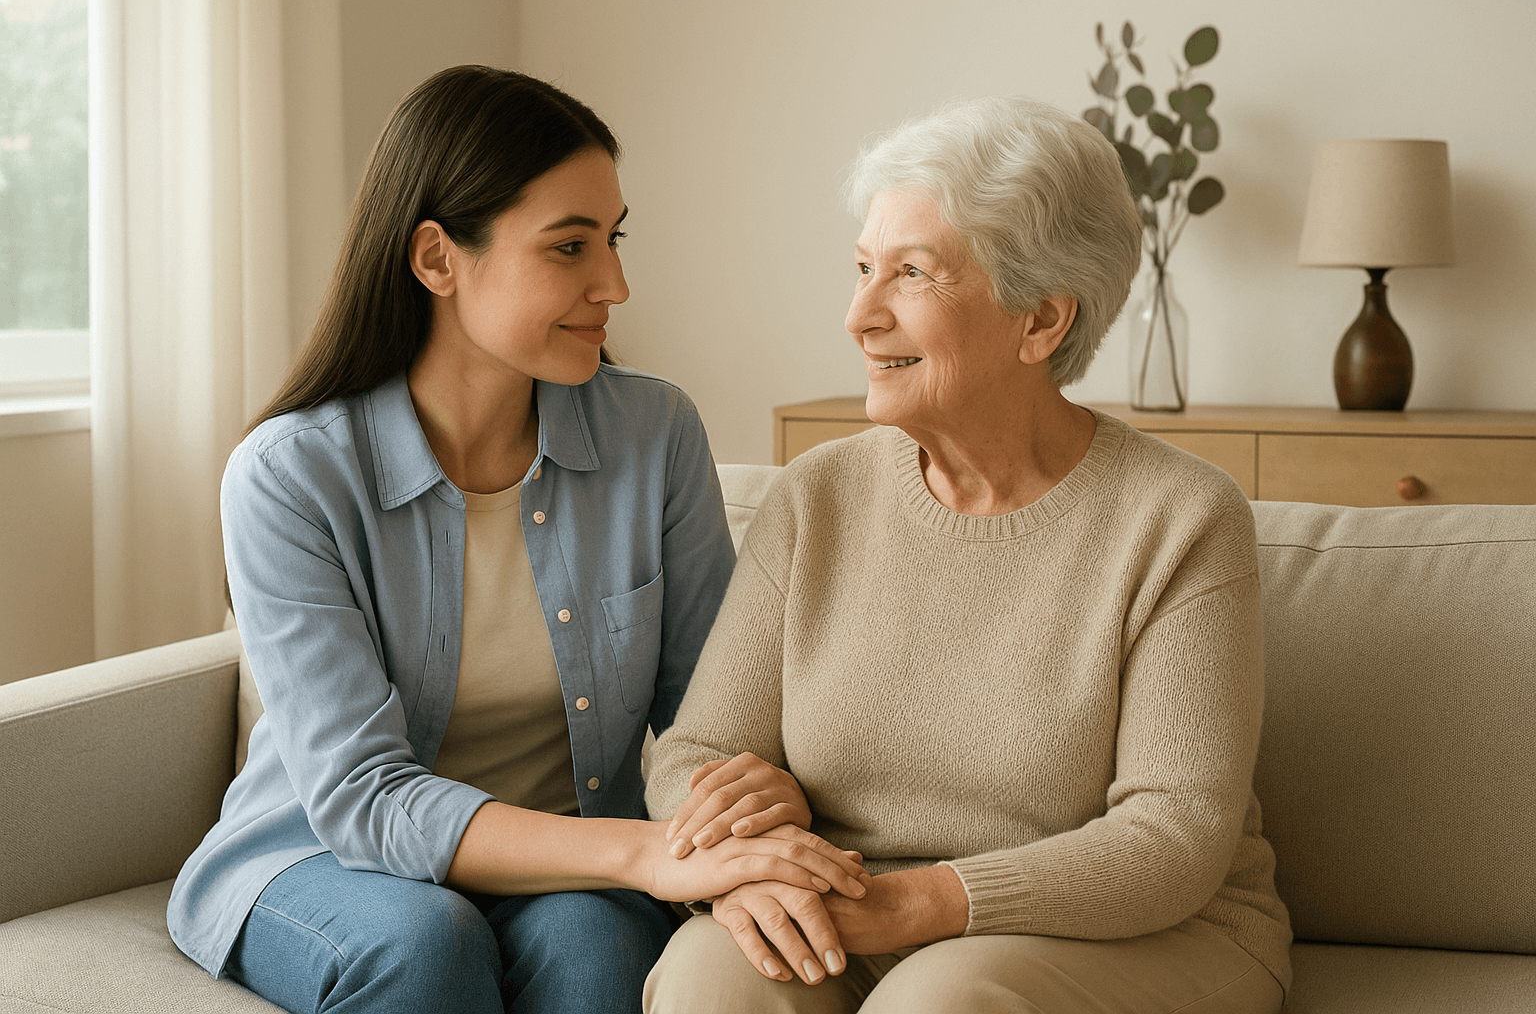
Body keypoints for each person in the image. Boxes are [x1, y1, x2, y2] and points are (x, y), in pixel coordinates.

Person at [167, 66, 868, 1014]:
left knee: (596, 950)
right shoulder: (289, 475)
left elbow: (712, 717)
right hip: (319, 858)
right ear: (437, 258)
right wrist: (646, 854)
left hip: (569, 861)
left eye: (613, 240)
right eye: (570, 246)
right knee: (425, 943)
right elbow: (363, 797)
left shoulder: (655, 434)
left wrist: (736, 826)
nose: (615, 284)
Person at [642, 97, 1293, 1014]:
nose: (858, 316)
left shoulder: (1179, 518)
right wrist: (742, 855)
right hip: (853, 910)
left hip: (1134, 931)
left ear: (1042, 321)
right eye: (863, 268)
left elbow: (1172, 837)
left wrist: (918, 903)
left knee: (940, 1002)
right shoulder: (815, 497)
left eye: (910, 274)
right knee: (712, 977)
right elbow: (697, 752)